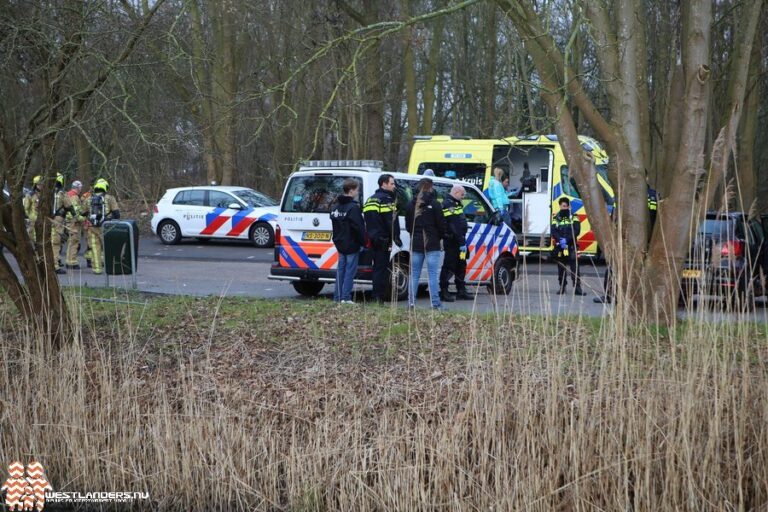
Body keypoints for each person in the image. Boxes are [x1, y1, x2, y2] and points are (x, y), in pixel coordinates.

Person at [594, 186, 658, 304]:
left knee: (615, 266)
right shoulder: (653, 195)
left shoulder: (623, 193)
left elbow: (614, 216)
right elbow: (655, 216)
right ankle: (637, 296)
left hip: (625, 236)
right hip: (648, 238)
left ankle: (610, 294)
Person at [405, 178, 446, 310]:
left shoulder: (411, 204)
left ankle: (411, 303)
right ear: (430, 188)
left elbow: (408, 225)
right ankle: (435, 304)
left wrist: (415, 235)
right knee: (433, 274)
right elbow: (441, 225)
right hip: (432, 243)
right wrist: (439, 237)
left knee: (414, 274)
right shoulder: (435, 204)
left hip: (416, 243)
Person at [363, 174, 402, 302]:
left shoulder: (370, 199)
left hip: (372, 239)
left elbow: (369, 220)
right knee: (382, 269)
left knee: (376, 269)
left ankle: (376, 295)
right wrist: (396, 237)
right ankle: (378, 297)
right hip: (384, 240)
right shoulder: (387, 200)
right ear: (384, 184)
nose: (394, 186)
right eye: (392, 184)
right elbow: (391, 221)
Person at [330, 179, 365, 304]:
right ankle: (346, 297)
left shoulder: (335, 207)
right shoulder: (353, 208)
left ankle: (337, 297)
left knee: (340, 271)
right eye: (357, 189)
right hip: (351, 244)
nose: (358, 192)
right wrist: (363, 242)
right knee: (350, 271)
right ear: (351, 190)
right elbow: (359, 228)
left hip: (340, 244)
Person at [440, 184, 472, 301]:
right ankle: (444, 291)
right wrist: (461, 242)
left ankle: (461, 290)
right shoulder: (449, 204)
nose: (463, 197)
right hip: (453, 241)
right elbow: (454, 225)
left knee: (461, 265)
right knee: (449, 266)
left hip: (459, 241)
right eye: (462, 195)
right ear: (457, 192)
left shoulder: (456, 203)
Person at [84, 178, 120, 275]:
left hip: (92, 227)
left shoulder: (88, 199)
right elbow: (117, 214)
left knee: (95, 248)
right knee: (108, 247)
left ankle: (97, 269)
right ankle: (112, 267)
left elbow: (83, 213)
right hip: (106, 227)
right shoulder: (110, 198)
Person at [551, 197, 585, 295]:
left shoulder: (574, 216)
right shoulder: (555, 217)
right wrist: (560, 240)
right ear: (560, 206)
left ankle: (577, 288)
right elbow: (553, 231)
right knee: (561, 268)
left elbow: (576, 230)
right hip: (560, 246)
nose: (564, 208)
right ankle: (562, 287)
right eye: (563, 206)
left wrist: (567, 240)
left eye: (566, 206)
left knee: (575, 267)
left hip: (571, 246)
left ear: (569, 206)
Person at [51, 173, 74, 274]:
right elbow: (69, 206)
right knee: (55, 243)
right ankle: (55, 266)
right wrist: (75, 216)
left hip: (45, 220)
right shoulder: (61, 193)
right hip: (58, 220)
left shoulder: (45, 192)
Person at [65, 180, 85, 269]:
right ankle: (72, 262)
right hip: (73, 223)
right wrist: (83, 219)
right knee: (74, 241)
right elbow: (75, 211)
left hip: (69, 221)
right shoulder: (74, 197)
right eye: (80, 187)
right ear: (77, 187)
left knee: (71, 242)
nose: (81, 189)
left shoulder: (68, 194)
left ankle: (69, 260)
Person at [23, 176, 42, 241]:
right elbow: (26, 208)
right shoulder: (30, 195)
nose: (41, 186)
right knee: (33, 236)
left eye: (42, 184)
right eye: (39, 184)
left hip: (43, 219)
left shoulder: (45, 194)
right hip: (33, 219)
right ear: (35, 185)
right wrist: (31, 216)